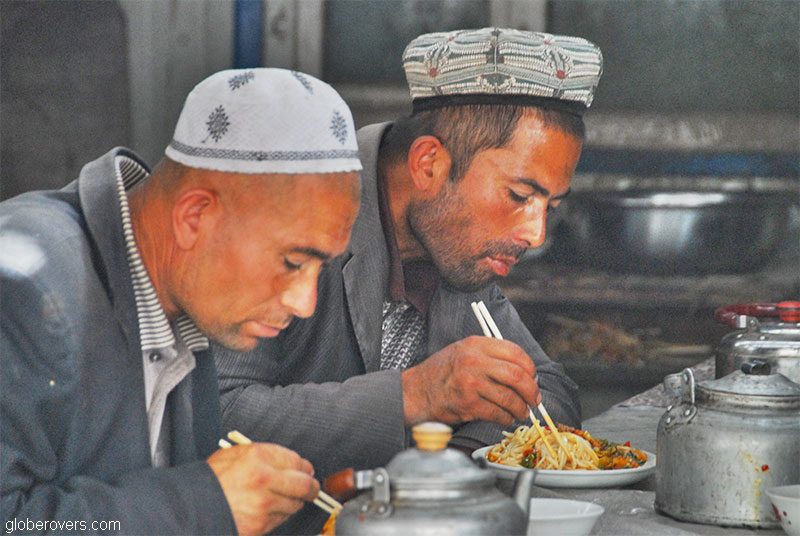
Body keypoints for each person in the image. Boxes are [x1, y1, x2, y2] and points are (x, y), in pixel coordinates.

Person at [215, 28, 603, 534]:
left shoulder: (457, 248)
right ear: (428, 165)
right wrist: (413, 397)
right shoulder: (292, 206)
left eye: (550, 205)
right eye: (518, 195)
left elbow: (549, 390)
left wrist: (451, 467)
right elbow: (216, 413)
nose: (534, 233)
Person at [0, 68, 362, 535]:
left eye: (320, 269)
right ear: (195, 216)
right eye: (292, 261)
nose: (305, 302)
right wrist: (203, 504)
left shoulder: (186, 299)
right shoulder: (28, 282)